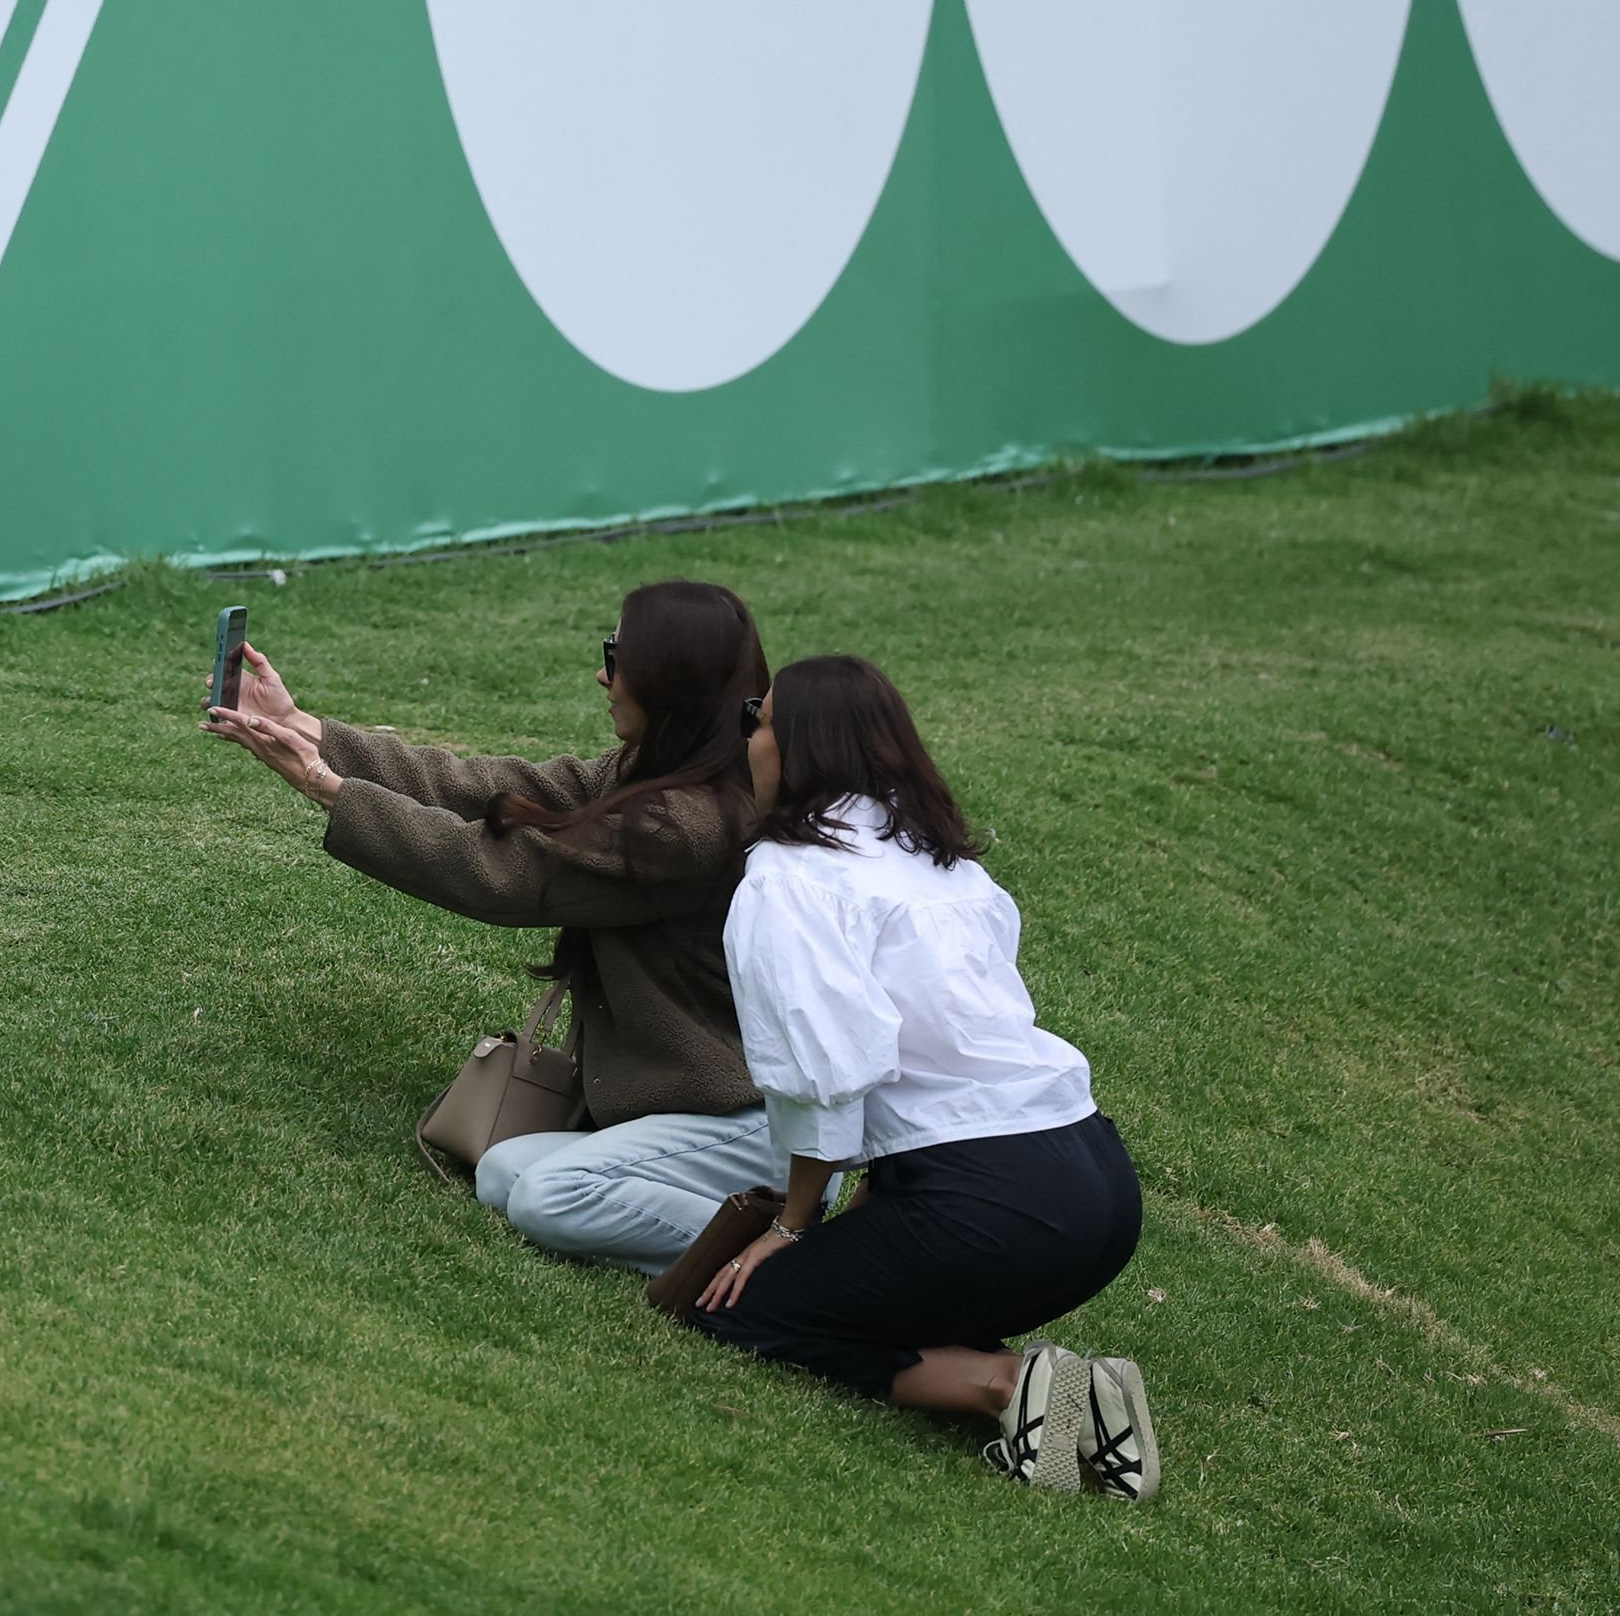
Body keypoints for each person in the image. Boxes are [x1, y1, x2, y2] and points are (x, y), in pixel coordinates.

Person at [679, 654, 1157, 1499]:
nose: (749, 736)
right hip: (1099, 1191)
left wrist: (791, 1228)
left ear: (801, 747)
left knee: (742, 1314)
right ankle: (1078, 1403)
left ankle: (1008, 1386)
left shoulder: (790, 875)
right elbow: (935, 1088)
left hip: (994, 1202)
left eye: (761, 719)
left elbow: (826, 1075)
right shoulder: (944, 863)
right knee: (874, 1300)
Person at [204, 580, 784, 1270]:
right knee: (504, 1172)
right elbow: (484, 787)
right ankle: (726, 1224)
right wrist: (305, 727)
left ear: (670, 678)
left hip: (744, 1123)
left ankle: (785, 1257)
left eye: (619, 655)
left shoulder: (684, 826)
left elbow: (495, 872)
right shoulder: (663, 775)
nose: (603, 673)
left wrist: (322, 785)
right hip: (679, 1115)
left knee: (546, 1198)